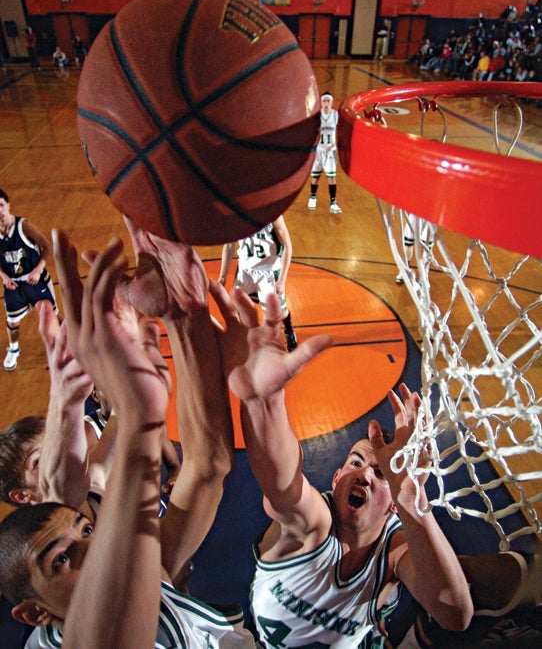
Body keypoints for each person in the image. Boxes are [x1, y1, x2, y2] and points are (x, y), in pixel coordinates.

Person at [0, 228, 256, 647]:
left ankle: (184, 603)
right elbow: (60, 489)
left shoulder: (114, 539)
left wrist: (182, 311)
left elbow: (208, 465)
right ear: (34, 613)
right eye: (61, 559)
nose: (95, 547)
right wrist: (68, 399)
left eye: (86, 532)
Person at [209, 285, 474, 647]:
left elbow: (455, 614)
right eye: (356, 461)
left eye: (382, 474)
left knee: (489, 577)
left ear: (394, 504)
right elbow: (282, 483)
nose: (365, 473)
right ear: (336, 479)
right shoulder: (314, 524)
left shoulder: (395, 547)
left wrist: (412, 497)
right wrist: (264, 403)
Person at [218, 215, 297, 352]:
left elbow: (287, 245)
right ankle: (246, 337)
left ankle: (289, 329)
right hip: (245, 271)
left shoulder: (273, 215)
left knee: (277, 312)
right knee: (240, 307)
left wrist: (282, 280)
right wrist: (222, 277)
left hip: (269, 272)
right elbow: (229, 244)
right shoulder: (235, 214)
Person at [0, 189, 60, 371]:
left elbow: (47, 246)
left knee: (50, 316)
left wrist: (38, 269)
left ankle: (63, 347)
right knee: (12, 322)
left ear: (8, 205)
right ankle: (14, 349)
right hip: (14, 283)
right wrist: (4, 277)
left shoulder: (23, 226)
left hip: (34, 279)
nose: (0, 212)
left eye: (1, 206)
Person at [308, 92, 342, 214]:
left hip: (330, 150)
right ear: (321, 103)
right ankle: (312, 198)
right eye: (324, 101)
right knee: (315, 177)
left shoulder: (335, 115)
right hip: (318, 150)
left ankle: (333, 203)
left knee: (331, 178)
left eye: (328, 101)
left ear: (332, 103)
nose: (326, 103)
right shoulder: (317, 116)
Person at [395, 215, 435, 284]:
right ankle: (404, 270)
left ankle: (424, 276)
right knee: (408, 243)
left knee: (428, 248)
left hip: (431, 216)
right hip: (415, 214)